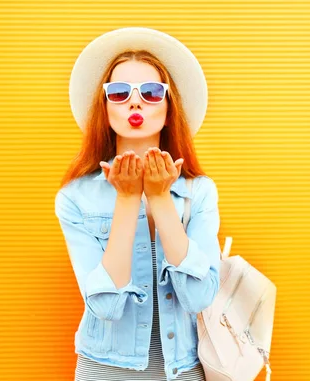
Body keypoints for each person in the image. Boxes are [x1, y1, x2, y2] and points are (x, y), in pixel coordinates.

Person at [55, 27, 222, 381]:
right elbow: (105, 305)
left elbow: (198, 297)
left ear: (168, 105)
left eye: (150, 92)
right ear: (104, 107)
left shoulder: (200, 192)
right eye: (118, 93)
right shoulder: (75, 198)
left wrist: (160, 198)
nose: (135, 102)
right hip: (103, 370)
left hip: (183, 371)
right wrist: (128, 199)